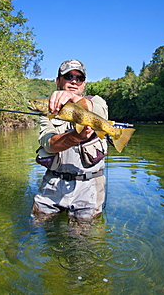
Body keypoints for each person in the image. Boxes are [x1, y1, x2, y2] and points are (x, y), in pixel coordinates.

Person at [32, 59, 108, 225]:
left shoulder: (96, 102)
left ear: (84, 84)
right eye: (68, 76)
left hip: (89, 186)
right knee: (38, 226)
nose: (74, 81)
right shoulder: (48, 110)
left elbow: (99, 111)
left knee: (80, 240)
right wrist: (76, 137)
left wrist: (73, 98)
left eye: (79, 78)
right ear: (58, 81)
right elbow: (49, 144)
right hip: (52, 183)